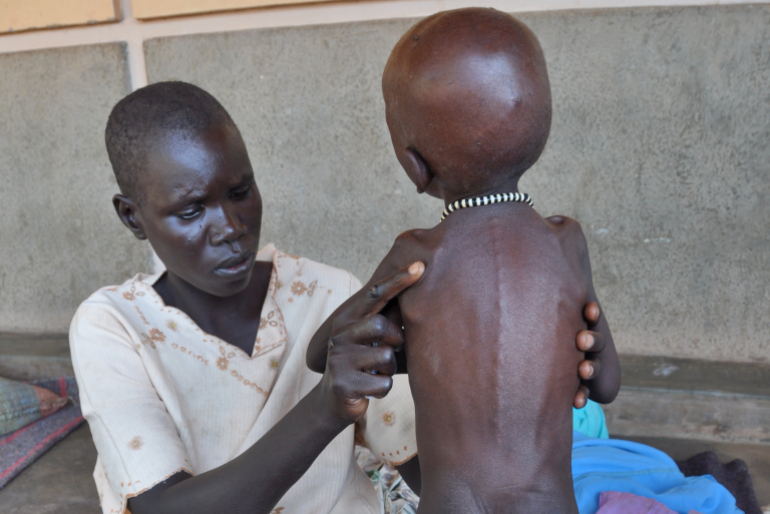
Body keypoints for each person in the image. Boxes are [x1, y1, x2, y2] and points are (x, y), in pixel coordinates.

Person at [69, 81, 609, 514]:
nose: (229, 227)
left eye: (240, 193)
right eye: (191, 211)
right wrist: (329, 406)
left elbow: (424, 453)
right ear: (132, 216)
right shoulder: (112, 327)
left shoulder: (328, 292)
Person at [311, 9, 744, 514]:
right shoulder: (566, 242)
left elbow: (322, 356)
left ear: (413, 162)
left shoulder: (419, 255)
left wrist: (391, 330)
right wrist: (586, 345)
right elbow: (605, 385)